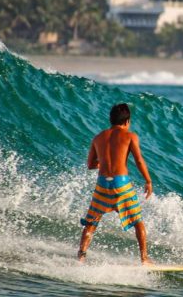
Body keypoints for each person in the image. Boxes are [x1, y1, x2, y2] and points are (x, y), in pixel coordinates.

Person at [78, 103, 153, 265]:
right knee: (138, 222)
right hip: (121, 184)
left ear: (110, 120)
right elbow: (139, 160)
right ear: (127, 122)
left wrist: (104, 163)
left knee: (91, 223)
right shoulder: (130, 136)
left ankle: (81, 257)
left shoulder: (98, 137)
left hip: (102, 184)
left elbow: (91, 165)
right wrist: (148, 180)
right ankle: (144, 259)